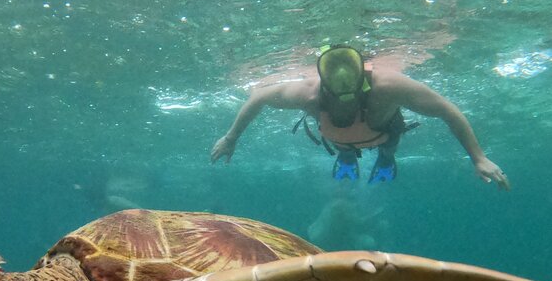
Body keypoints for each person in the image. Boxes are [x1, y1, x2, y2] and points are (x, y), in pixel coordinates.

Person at [211, 45, 510, 189]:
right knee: (343, 146)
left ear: (363, 79)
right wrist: (230, 137)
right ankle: (347, 160)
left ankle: (384, 161)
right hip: (338, 138)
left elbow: (447, 110)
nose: (345, 98)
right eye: (336, 95)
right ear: (322, 84)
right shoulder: (307, 94)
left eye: (351, 93)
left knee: (388, 147)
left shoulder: (389, 87)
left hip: (385, 132)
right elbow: (258, 97)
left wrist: (478, 157)